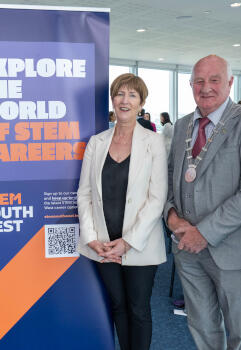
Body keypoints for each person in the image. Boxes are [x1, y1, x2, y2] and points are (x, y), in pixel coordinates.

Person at [165, 55, 241, 350]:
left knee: (240, 333)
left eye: (215, 80)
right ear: (190, 85)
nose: (206, 87)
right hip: (187, 248)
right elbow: (170, 181)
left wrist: (204, 233)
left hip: (233, 249)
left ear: (230, 83)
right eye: (199, 81)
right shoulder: (183, 125)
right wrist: (172, 217)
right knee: (201, 326)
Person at [77, 73, 167, 350]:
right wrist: (91, 238)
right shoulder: (97, 142)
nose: (125, 101)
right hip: (103, 244)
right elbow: (85, 194)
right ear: (113, 99)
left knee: (138, 309)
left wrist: (128, 242)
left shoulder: (154, 142)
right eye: (120, 94)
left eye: (132, 95)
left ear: (141, 103)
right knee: (118, 307)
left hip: (139, 244)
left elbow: (157, 197)